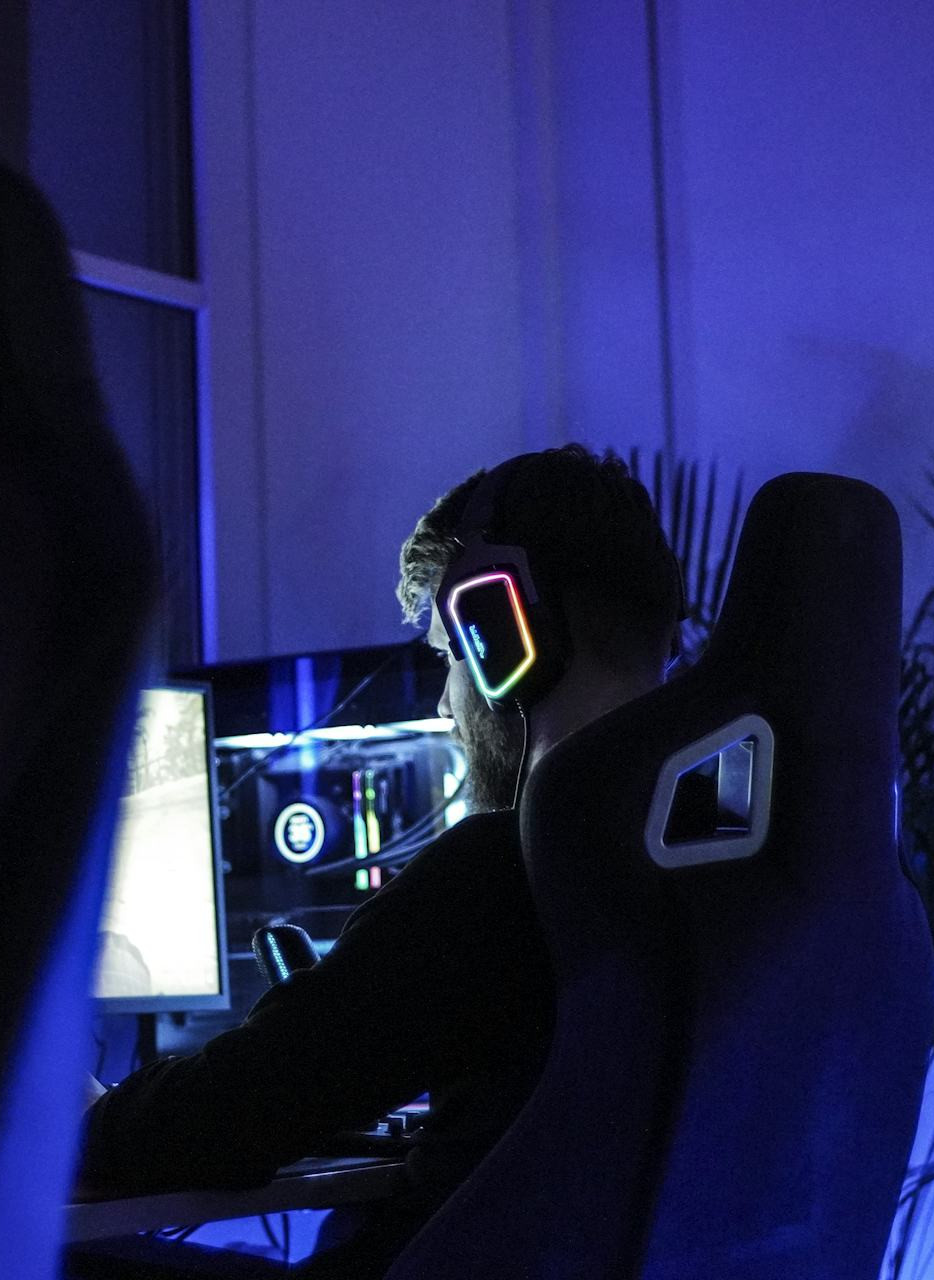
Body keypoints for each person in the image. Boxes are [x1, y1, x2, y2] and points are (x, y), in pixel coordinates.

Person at [69, 445, 684, 1278]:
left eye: (449, 656)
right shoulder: (722, 870)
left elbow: (228, 1116)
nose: (445, 704)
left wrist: (82, 1118)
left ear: (504, 633)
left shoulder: (504, 876)